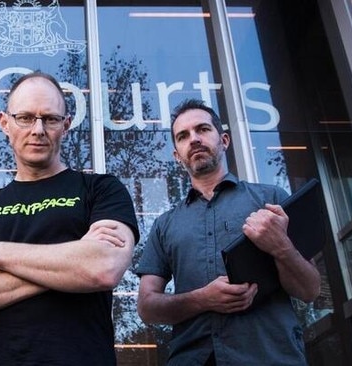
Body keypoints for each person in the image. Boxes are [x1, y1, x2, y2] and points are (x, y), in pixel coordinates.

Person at [0, 71, 140, 365]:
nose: (38, 129)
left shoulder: (101, 190)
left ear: (66, 126)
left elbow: (104, 267)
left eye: (51, 119)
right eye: (26, 118)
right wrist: (72, 266)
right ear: (5, 122)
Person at [135, 99, 321, 365]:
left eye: (203, 129)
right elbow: (147, 307)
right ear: (177, 155)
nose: (195, 139)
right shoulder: (165, 224)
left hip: (270, 355)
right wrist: (202, 299)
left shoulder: (271, 199)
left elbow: (310, 289)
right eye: (183, 136)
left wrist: (281, 247)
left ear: (224, 140)